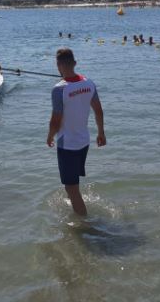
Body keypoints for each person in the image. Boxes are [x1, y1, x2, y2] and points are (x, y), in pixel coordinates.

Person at [47, 48, 106, 216]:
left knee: (71, 188)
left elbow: (56, 119)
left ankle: (84, 224)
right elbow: (99, 111)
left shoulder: (59, 89)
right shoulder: (89, 83)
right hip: (84, 142)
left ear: (58, 65)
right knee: (73, 184)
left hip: (68, 145)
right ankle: (76, 202)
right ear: (74, 63)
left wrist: (50, 136)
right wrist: (101, 133)